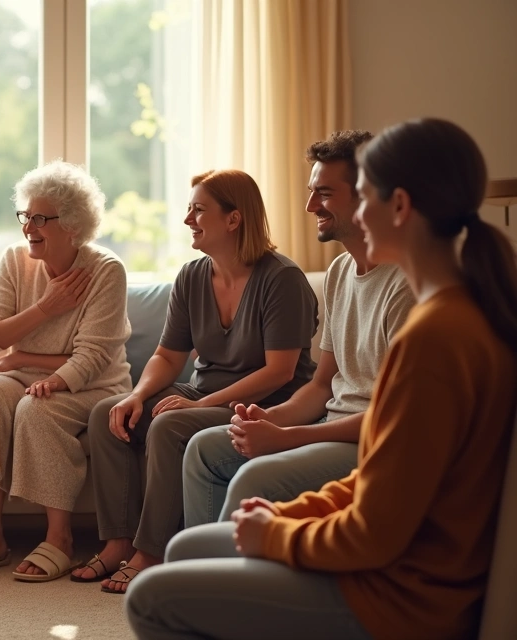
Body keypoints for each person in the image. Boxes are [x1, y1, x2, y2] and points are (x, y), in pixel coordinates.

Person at [125, 118, 517, 640]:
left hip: (397, 594)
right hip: (384, 561)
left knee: (151, 598)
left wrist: (279, 536)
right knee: (183, 549)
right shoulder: (441, 317)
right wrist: (284, 517)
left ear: (397, 206)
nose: (335, 209)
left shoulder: (435, 339)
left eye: (363, 196)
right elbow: (378, 474)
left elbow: (374, 534)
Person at [72, 169, 317, 592]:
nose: (188, 219)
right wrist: (137, 395)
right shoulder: (191, 276)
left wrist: (199, 406)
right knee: (105, 415)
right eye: (189, 209)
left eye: (199, 210)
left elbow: (279, 371)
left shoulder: (282, 280)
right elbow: (169, 356)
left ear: (234, 220)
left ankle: (152, 552)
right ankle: (119, 543)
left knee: (169, 424)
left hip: (265, 403)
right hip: (203, 391)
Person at [183, 131, 414, 528]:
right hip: (327, 426)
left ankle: (215, 579)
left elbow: (395, 417)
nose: (310, 206)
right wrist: (270, 419)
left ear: (366, 193)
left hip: (370, 444)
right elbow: (321, 386)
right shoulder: (341, 272)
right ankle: (209, 573)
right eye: (311, 192)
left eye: (323, 192)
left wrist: (288, 438)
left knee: (255, 476)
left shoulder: (406, 284)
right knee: (204, 448)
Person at [0, 161, 132, 583]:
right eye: (26, 216)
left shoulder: (106, 270)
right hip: (27, 372)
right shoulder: (15, 261)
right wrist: (45, 309)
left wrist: (28, 365)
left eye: (40, 218)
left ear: (72, 225)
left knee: (37, 408)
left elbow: (91, 357)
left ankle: (59, 538)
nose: (29, 226)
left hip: (96, 386)